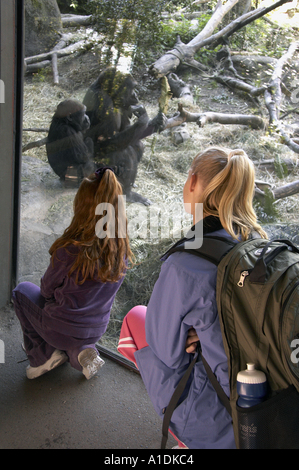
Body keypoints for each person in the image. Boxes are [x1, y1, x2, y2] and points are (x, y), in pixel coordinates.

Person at [117, 147, 267, 449]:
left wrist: (192, 335)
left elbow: (168, 352)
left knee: (134, 319)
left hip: (223, 418)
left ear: (194, 183)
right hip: (269, 404)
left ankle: (189, 436)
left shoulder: (185, 265)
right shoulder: (262, 245)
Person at [13, 167, 132, 380]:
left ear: (82, 208)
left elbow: (47, 290)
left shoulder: (69, 250)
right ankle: (81, 353)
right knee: (72, 334)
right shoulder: (120, 252)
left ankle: (42, 357)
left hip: (60, 328)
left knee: (21, 292)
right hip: (96, 329)